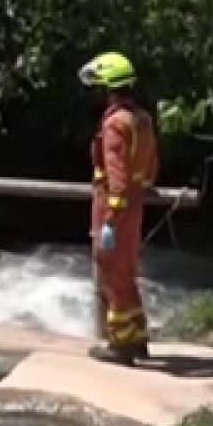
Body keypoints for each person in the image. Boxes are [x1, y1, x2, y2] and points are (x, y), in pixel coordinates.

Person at [80, 51, 160, 367]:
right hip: (136, 203)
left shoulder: (115, 123)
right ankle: (137, 337)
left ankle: (120, 344)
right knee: (127, 272)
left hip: (114, 206)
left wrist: (112, 217)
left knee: (112, 274)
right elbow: (151, 162)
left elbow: (117, 173)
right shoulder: (142, 119)